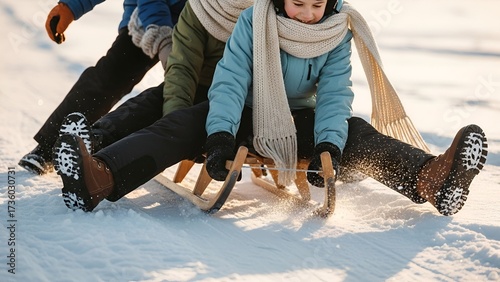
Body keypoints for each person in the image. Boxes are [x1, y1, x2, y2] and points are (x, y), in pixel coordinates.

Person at [52, 0, 487, 217]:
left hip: (295, 120)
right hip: (244, 111)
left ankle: (432, 180)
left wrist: (329, 147)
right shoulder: (255, 19)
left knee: (355, 132)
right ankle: (101, 176)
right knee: (181, 125)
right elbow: (231, 80)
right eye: (299, 3)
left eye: (318, 4)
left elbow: (336, 94)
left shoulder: (337, 31)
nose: (308, 15)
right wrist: (220, 136)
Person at [18, 0, 186, 175]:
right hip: (145, 20)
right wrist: (70, 7)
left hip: (201, 28)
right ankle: (48, 148)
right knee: (110, 79)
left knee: (186, 88)